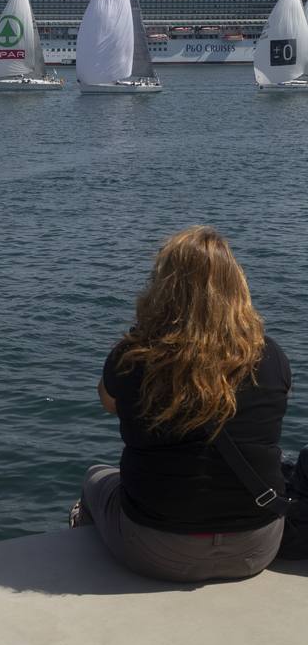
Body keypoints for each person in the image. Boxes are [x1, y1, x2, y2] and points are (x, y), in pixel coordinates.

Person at [73, 226, 291, 583]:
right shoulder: (271, 355)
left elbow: (108, 402)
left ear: (162, 287)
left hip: (155, 549)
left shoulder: (135, 356)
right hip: (257, 547)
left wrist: (137, 340)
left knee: (96, 477)